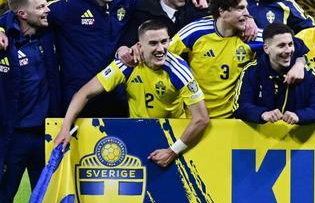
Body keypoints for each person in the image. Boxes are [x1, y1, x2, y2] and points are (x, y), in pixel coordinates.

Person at [54, 19, 210, 167]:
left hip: (173, 137)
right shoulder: (128, 65)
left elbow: (202, 118)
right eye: (153, 43)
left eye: (164, 41)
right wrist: (65, 128)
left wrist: (172, 151)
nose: (161, 49)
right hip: (138, 134)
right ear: (139, 45)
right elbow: (84, 93)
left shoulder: (178, 70)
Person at [170, 0, 286, 119]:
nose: (248, 14)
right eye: (240, 8)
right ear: (222, 11)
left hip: (234, 119)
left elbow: (289, 44)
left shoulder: (252, 37)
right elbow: (164, 53)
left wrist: (300, 63)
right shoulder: (195, 31)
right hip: (194, 118)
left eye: (246, 7)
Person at [46, 0, 144, 114]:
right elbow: (28, 10)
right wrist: (2, 28)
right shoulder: (69, 6)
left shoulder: (124, 3)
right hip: (79, 100)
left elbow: (160, 0)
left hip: (116, 99)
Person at [0, 0, 60, 203]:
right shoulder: (5, 42)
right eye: (41, 7)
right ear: (22, 14)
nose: (47, 10)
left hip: (47, 136)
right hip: (13, 138)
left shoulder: (49, 34)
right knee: (3, 202)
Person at [235, 24, 315, 125]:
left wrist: (299, 116)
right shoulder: (252, 71)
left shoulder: (308, 72)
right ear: (266, 49)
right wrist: (262, 114)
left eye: (290, 44)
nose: (288, 50)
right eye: (281, 45)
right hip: (260, 138)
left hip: (298, 138)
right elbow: (240, 106)